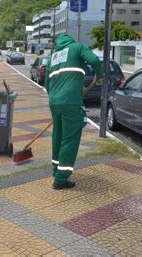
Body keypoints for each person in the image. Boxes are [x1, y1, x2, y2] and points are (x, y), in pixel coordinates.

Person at [44, 33, 103, 190]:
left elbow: (46, 84)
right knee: (70, 138)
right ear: (70, 40)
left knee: (58, 136)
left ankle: (56, 169)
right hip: (70, 101)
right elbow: (95, 60)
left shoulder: (53, 57)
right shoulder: (78, 47)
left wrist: (57, 98)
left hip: (54, 101)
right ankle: (61, 179)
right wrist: (100, 75)